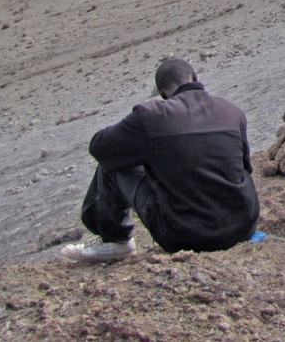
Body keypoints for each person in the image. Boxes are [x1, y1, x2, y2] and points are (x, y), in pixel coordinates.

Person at [62, 57, 260, 262]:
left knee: (113, 163)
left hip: (185, 236)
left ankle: (116, 241)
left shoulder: (152, 116)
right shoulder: (231, 111)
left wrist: (142, 141)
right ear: (194, 77)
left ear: (163, 92)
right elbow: (245, 167)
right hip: (242, 228)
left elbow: (100, 147)